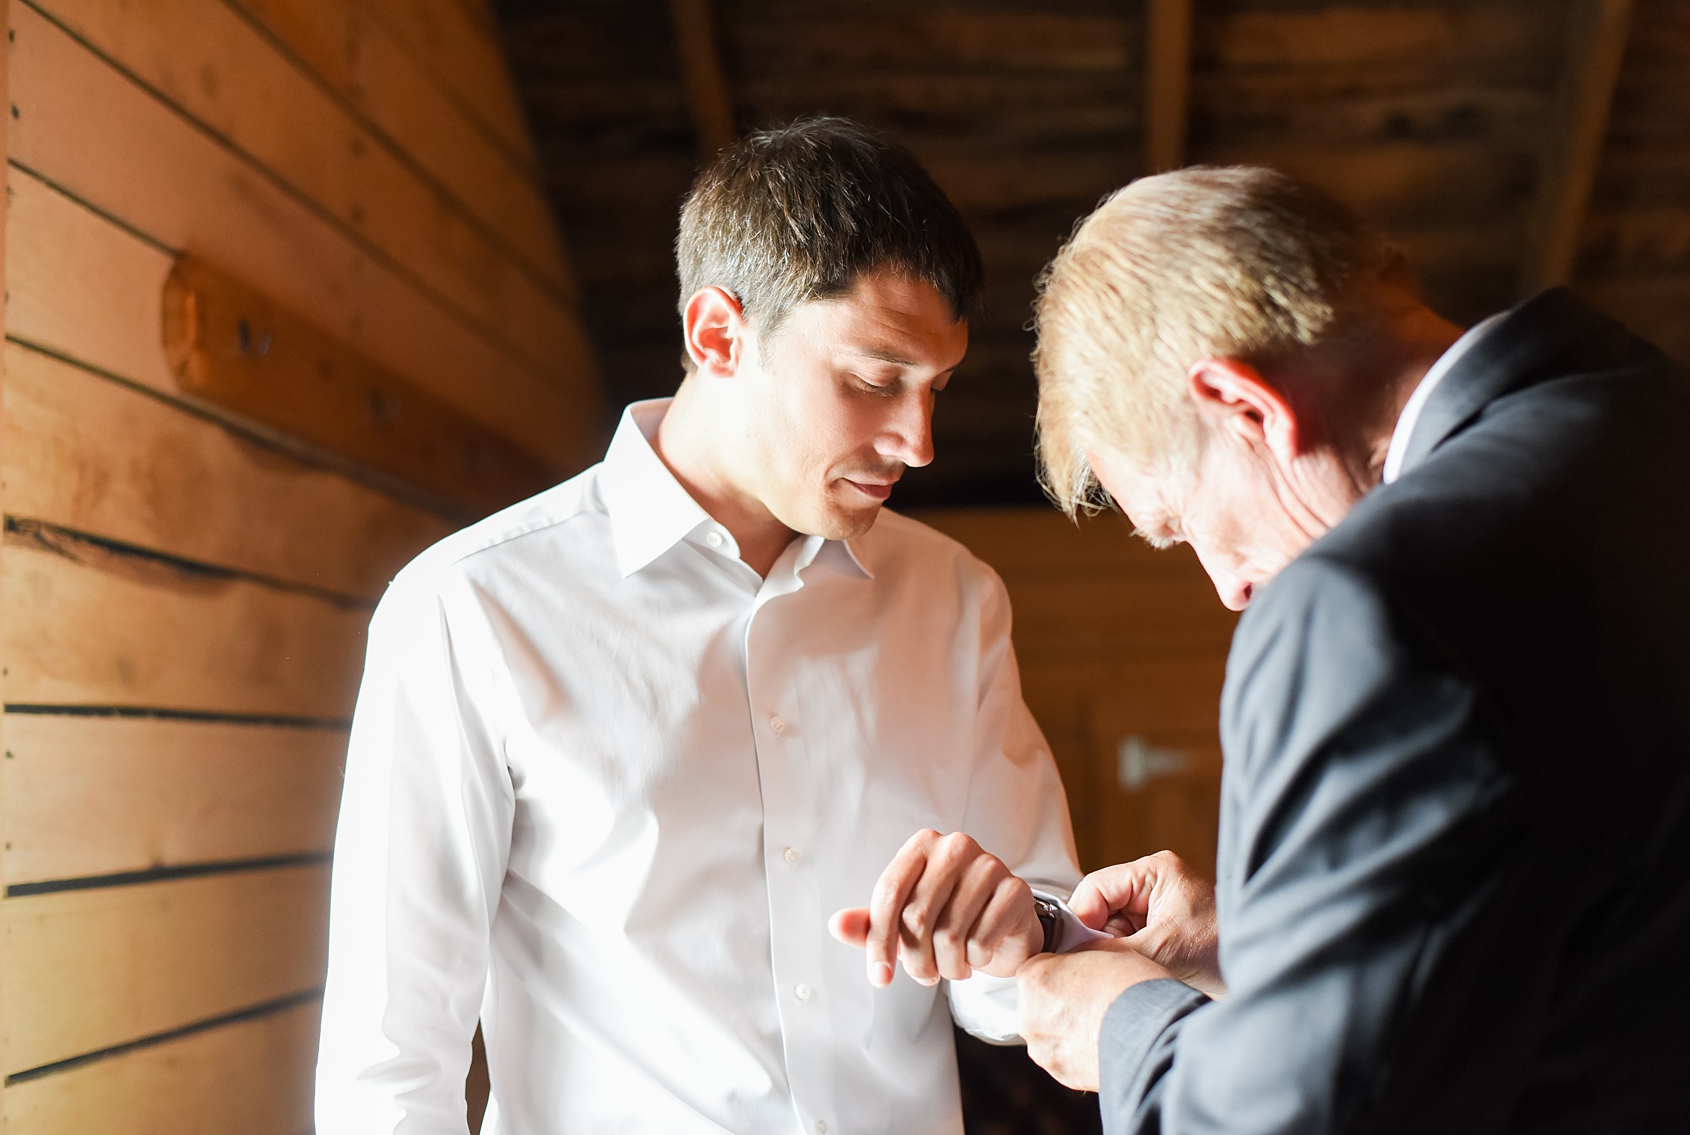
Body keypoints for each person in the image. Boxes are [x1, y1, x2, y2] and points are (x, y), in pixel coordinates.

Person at [312, 116, 1089, 1135]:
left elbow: (1022, 970)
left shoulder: (954, 599)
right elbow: (389, 1056)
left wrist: (1015, 931)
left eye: (934, 387)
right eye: (871, 379)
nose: (919, 440)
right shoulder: (472, 607)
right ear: (717, 335)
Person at [1006, 165, 1690, 1133]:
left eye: (1182, 524)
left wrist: (1122, 1024)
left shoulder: (1367, 606)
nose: (1227, 587)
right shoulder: (1649, 420)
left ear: (1243, 407)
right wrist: (1269, 943)